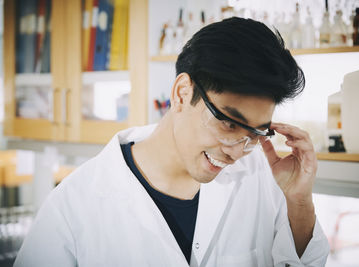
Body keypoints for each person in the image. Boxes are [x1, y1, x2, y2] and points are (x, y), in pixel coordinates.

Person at [15, 17, 329, 267]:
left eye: (254, 134)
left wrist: (299, 201)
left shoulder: (262, 179)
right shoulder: (74, 204)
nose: (237, 152)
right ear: (182, 93)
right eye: (229, 123)